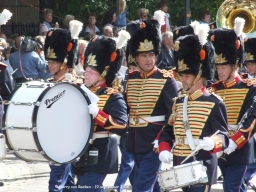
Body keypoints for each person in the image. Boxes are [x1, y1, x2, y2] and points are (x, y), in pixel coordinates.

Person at [158, 24, 229, 192]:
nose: (182, 80)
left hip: (202, 165)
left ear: (199, 76)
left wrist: (213, 142)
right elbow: (168, 130)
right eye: (181, 76)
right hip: (179, 164)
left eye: (187, 76)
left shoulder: (214, 102)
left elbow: (224, 136)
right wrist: (164, 148)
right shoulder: (178, 102)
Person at [125, 16, 179, 191]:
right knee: (149, 185)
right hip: (134, 143)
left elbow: (174, 113)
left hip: (154, 144)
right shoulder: (131, 79)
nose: (148, 59)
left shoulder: (166, 79)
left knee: (141, 188)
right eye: (143, 55)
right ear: (136, 57)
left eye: (151, 55)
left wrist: (164, 139)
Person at [72, 30, 130, 192]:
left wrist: (98, 114)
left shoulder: (113, 96)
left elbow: (121, 125)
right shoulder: (81, 92)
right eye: (86, 71)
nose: (86, 76)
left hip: (101, 151)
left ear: (103, 74)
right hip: (81, 151)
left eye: (91, 73)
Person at [209, 18, 256, 192]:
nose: (219, 70)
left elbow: (251, 120)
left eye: (223, 66)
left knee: (231, 188)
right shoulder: (214, 89)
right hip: (219, 148)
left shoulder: (250, 88)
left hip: (240, 149)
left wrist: (235, 142)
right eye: (217, 66)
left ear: (234, 65)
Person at [44, 20, 83, 192]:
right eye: (49, 61)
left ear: (65, 62)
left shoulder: (74, 84)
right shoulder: (51, 83)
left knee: (55, 185)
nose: (50, 65)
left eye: (54, 61)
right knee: (66, 184)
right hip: (52, 139)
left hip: (67, 142)